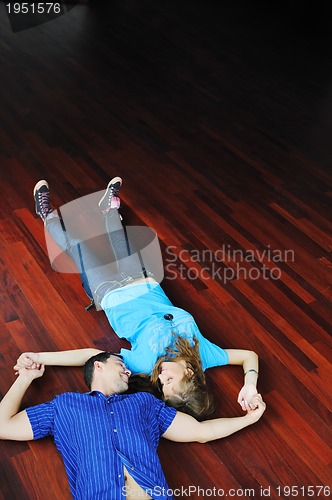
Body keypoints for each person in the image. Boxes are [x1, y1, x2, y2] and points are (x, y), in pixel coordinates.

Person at [15, 178, 260, 419]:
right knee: (121, 241)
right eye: (170, 380)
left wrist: (40, 357)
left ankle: (46, 214)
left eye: (163, 386)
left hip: (109, 292)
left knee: (79, 246)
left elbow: (92, 356)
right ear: (190, 372)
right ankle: (109, 208)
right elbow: (249, 356)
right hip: (145, 283)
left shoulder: (144, 364)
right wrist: (250, 386)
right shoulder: (206, 355)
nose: (161, 378)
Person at [1, 351, 266, 499]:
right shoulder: (64, 406)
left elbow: (200, 432)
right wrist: (26, 377)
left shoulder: (144, 403)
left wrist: (248, 419)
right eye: (120, 365)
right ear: (98, 367)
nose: (128, 371)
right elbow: (3, 425)